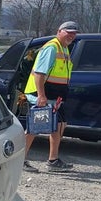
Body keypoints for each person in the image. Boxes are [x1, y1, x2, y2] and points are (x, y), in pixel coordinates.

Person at [22, 21, 78, 173]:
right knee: (34, 128)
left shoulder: (64, 48)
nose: (72, 35)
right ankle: (20, 160)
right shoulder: (52, 48)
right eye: (69, 32)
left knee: (59, 125)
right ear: (59, 31)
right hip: (42, 96)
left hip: (55, 97)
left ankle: (53, 160)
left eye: (74, 33)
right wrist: (41, 96)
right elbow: (39, 74)